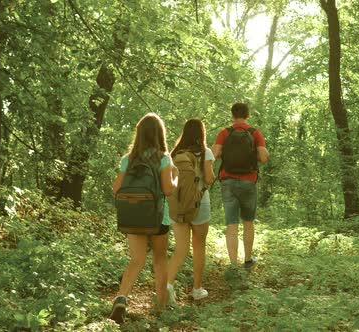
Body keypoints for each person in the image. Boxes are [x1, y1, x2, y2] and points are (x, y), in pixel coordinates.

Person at [109, 113, 178, 323]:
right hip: (157, 219)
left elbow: (116, 189)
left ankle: (121, 298)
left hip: (133, 217)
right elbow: (167, 190)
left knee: (136, 259)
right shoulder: (163, 158)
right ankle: (160, 306)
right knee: (159, 259)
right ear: (159, 134)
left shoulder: (127, 160)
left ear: (138, 134)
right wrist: (175, 178)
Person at [212, 103, 269, 270]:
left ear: (232, 115)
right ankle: (248, 260)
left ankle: (232, 264)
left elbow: (214, 154)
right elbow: (264, 158)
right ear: (247, 115)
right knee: (248, 222)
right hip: (248, 181)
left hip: (228, 181)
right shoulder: (254, 133)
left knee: (231, 224)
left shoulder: (225, 132)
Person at [166, 119, 215, 303]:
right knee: (199, 245)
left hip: (178, 205)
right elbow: (209, 179)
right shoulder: (205, 152)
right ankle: (197, 288)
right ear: (201, 133)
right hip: (200, 203)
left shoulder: (175, 153)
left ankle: (167, 286)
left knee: (180, 249)